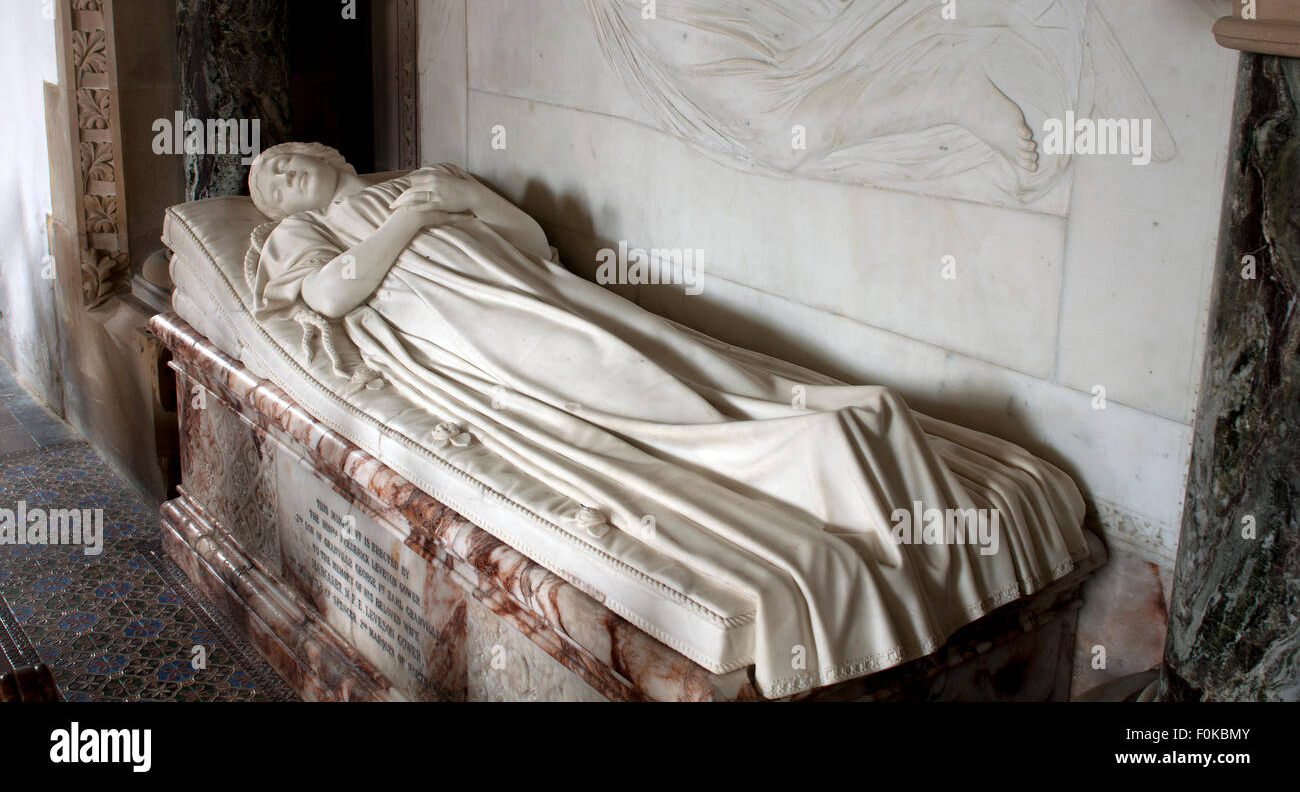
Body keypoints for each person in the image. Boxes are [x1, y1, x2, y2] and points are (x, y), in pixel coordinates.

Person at [247, 141, 1089, 697]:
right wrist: (416, 216)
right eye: (270, 181)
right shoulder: (303, 233)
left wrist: (459, 196)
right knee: (619, 388)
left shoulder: (420, 180)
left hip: (541, 292)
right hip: (466, 330)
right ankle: (801, 452)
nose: (283, 173)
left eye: (288, 158)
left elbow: (533, 239)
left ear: (328, 152)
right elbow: (330, 293)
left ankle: (821, 447)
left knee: (668, 359)